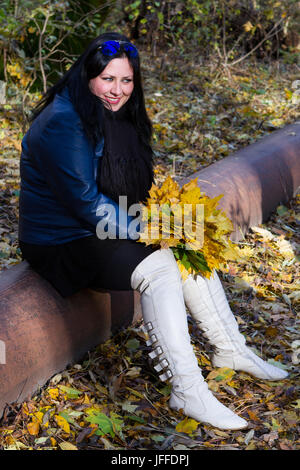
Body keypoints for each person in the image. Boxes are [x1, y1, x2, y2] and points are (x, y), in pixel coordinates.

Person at [18, 32, 288, 431]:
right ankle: (186, 389)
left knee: (188, 240)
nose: (118, 90)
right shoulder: (64, 121)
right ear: (88, 75)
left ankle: (231, 349)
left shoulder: (105, 111)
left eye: (126, 81)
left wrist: (167, 224)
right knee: (162, 264)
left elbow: (124, 187)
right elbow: (85, 203)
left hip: (98, 221)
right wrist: (150, 230)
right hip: (61, 238)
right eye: (108, 79)